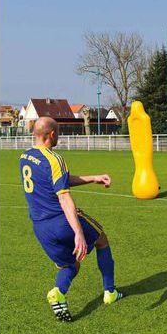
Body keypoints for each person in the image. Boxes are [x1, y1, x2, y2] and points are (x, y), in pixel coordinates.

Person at [19, 117, 123, 322]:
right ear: (51, 134)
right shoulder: (54, 159)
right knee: (101, 239)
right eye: (57, 132)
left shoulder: (25, 156)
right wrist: (78, 233)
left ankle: (58, 292)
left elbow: (60, 181)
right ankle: (110, 292)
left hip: (40, 227)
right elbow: (64, 196)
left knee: (70, 265)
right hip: (61, 220)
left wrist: (93, 178)